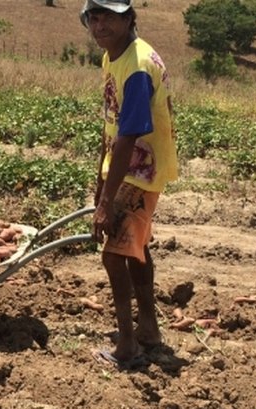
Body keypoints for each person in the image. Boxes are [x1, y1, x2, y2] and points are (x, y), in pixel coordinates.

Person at [81, 0, 178, 368]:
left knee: (113, 254)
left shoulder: (137, 66)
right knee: (135, 249)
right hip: (127, 168)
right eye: (95, 16)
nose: (101, 24)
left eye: (110, 16)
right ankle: (148, 329)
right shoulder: (114, 56)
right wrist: (101, 181)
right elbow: (110, 126)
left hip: (141, 169)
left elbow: (130, 135)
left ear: (129, 19)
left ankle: (127, 346)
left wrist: (107, 202)